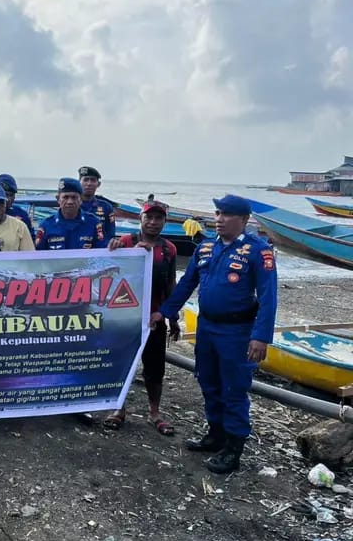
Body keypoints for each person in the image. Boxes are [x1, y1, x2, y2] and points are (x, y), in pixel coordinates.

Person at [151, 194, 277, 474]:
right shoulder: (206, 247)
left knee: (233, 388)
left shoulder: (258, 251)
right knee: (208, 381)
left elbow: (269, 296)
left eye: (226, 214)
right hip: (206, 327)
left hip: (238, 331)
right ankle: (216, 434)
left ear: (243, 219)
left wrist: (261, 336)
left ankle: (233, 448)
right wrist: (165, 311)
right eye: (217, 213)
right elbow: (187, 283)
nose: (219, 219)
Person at [102, 200, 180, 433]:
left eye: (159, 218)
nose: (153, 222)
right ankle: (118, 409)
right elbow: (107, 274)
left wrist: (172, 317)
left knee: (154, 368)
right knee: (120, 364)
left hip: (154, 318)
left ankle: (154, 412)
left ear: (165, 221)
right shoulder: (124, 242)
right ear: (141, 219)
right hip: (124, 317)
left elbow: (170, 284)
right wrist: (119, 252)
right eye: (149, 217)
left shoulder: (169, 249)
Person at [35, 178, 107, 250]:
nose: (70, 202)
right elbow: (38, 254)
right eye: (65, 197)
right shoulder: (46, 226)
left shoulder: (93, 223)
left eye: (74, 197)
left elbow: (103, 251)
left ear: (81, 200)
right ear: (58, 199)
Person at [78, 166, 116, 239]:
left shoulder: (106, 207)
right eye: (85, 180)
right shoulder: (72, 206)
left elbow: (111, 235)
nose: (89, 184)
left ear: (98, 184)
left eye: (93, 180)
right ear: (79, 182)